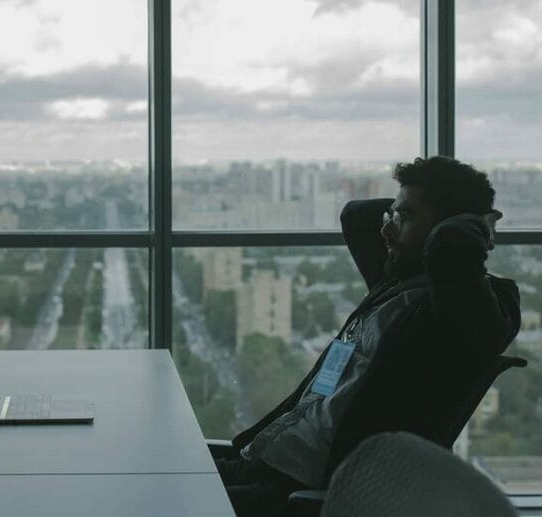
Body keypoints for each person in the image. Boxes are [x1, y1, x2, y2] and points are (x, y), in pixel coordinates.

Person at [214, 156, 522, 516]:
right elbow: (356, 216)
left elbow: (452, 251)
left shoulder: (459, 317)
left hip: (299, 492)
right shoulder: (395, 285)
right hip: (264, 461)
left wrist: (469, 225)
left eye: (404, 218)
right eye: (392, 216)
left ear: (445, 233)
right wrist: (405, 214)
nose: (386, 231)